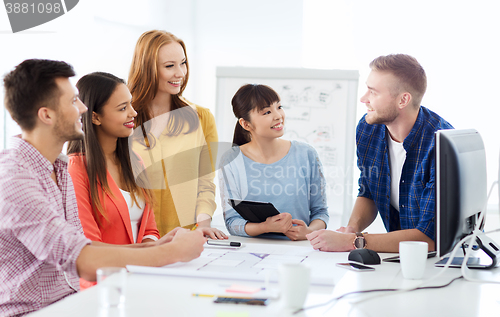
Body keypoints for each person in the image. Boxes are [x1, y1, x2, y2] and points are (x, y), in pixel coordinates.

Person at [0, 59, 205, 317]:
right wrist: (173, 253)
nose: (83, 108)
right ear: (47, 115)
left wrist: (162, 244)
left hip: (70, 308)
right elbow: (81, 258)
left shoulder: (58, 168)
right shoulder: (15, 178)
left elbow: (84, 245)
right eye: (73, 101)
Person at [307, 54, 453, 252]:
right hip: (399, 256)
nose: (363, 99)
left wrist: (353, 242)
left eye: (373, 92)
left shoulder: (441, 146)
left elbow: (429, 238)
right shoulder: (368, 129)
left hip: (440, 263)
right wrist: (352, 229)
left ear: (403, 100)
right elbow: (368, 190)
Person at [128, 30, 226, 239]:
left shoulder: (201, 117)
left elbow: (205, 182)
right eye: (170, 66)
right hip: (135, 238)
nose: (180, 73)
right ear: (147, 69)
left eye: (183, 63)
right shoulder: (124, 119)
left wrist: (203, 224)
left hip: (185, 236)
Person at [66, 72, 161, 289]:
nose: (133, 113)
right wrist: (155, 254)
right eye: (122, 108)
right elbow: (89, 245)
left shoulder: (135, 161)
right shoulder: (76, 169)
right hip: (101, 286)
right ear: (95, 117)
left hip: (138, 279)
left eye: (131, 105)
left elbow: (150, 230)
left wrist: (152, 251)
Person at [219, 84, 328, 240]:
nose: (278, 116)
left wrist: (308, 232)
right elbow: (232, 222)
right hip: (252, 253)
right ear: (245, 124)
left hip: (299, 251)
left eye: (279, 107)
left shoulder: (306, 154)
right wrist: (265, 227)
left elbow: (321, 213)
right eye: (267, 112)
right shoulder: (231, 160)